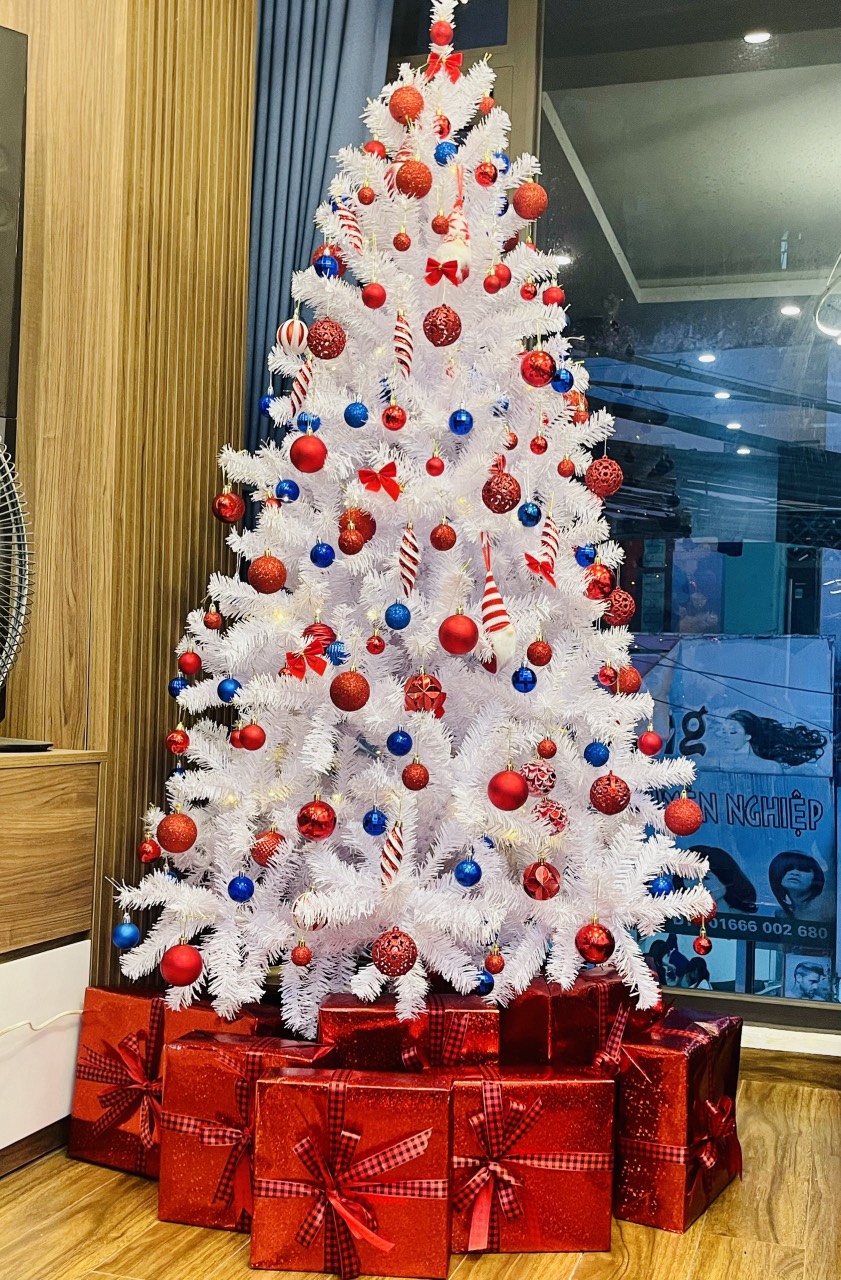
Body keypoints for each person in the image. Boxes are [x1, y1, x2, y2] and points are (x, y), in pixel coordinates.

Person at [719, 710, 827, 771]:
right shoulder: (717, 762)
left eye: (732, 732)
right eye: (723, 731)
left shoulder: (768, 767)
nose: (725, 736)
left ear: (748, 735)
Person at [769, 851, 830, 923]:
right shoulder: (782, 914)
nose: (794, 873)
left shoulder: (825, 910)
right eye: (788, 868)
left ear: (816, 877)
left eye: (804, 869)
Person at [694, 845, 758, 914]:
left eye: (706, 877)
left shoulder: (742, 918)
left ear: (725, 879)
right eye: (691, 878)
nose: (698, 884)